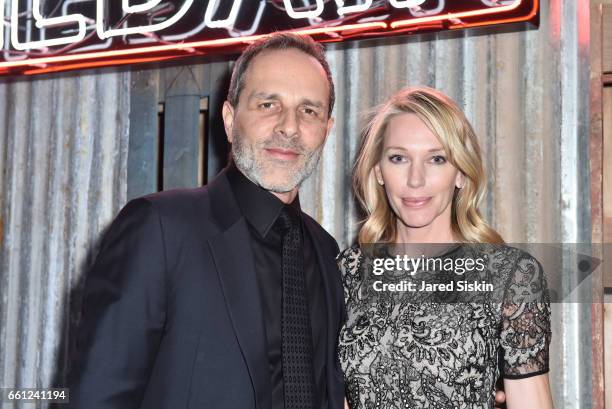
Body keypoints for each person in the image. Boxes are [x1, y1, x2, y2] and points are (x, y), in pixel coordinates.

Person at [68, 33, 346, 409]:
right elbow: (99, 397)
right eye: (268, 104)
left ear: (327, 130)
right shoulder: (160, 229)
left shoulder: (327, 252)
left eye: (309, 111)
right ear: (230, 121)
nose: (290, 127)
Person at [338, 87, 554, 408]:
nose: (415, 179)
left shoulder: (509, 276)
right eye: (399, 158)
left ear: (461, 175)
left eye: (437, 159)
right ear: (378, 171)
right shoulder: (347, 271)